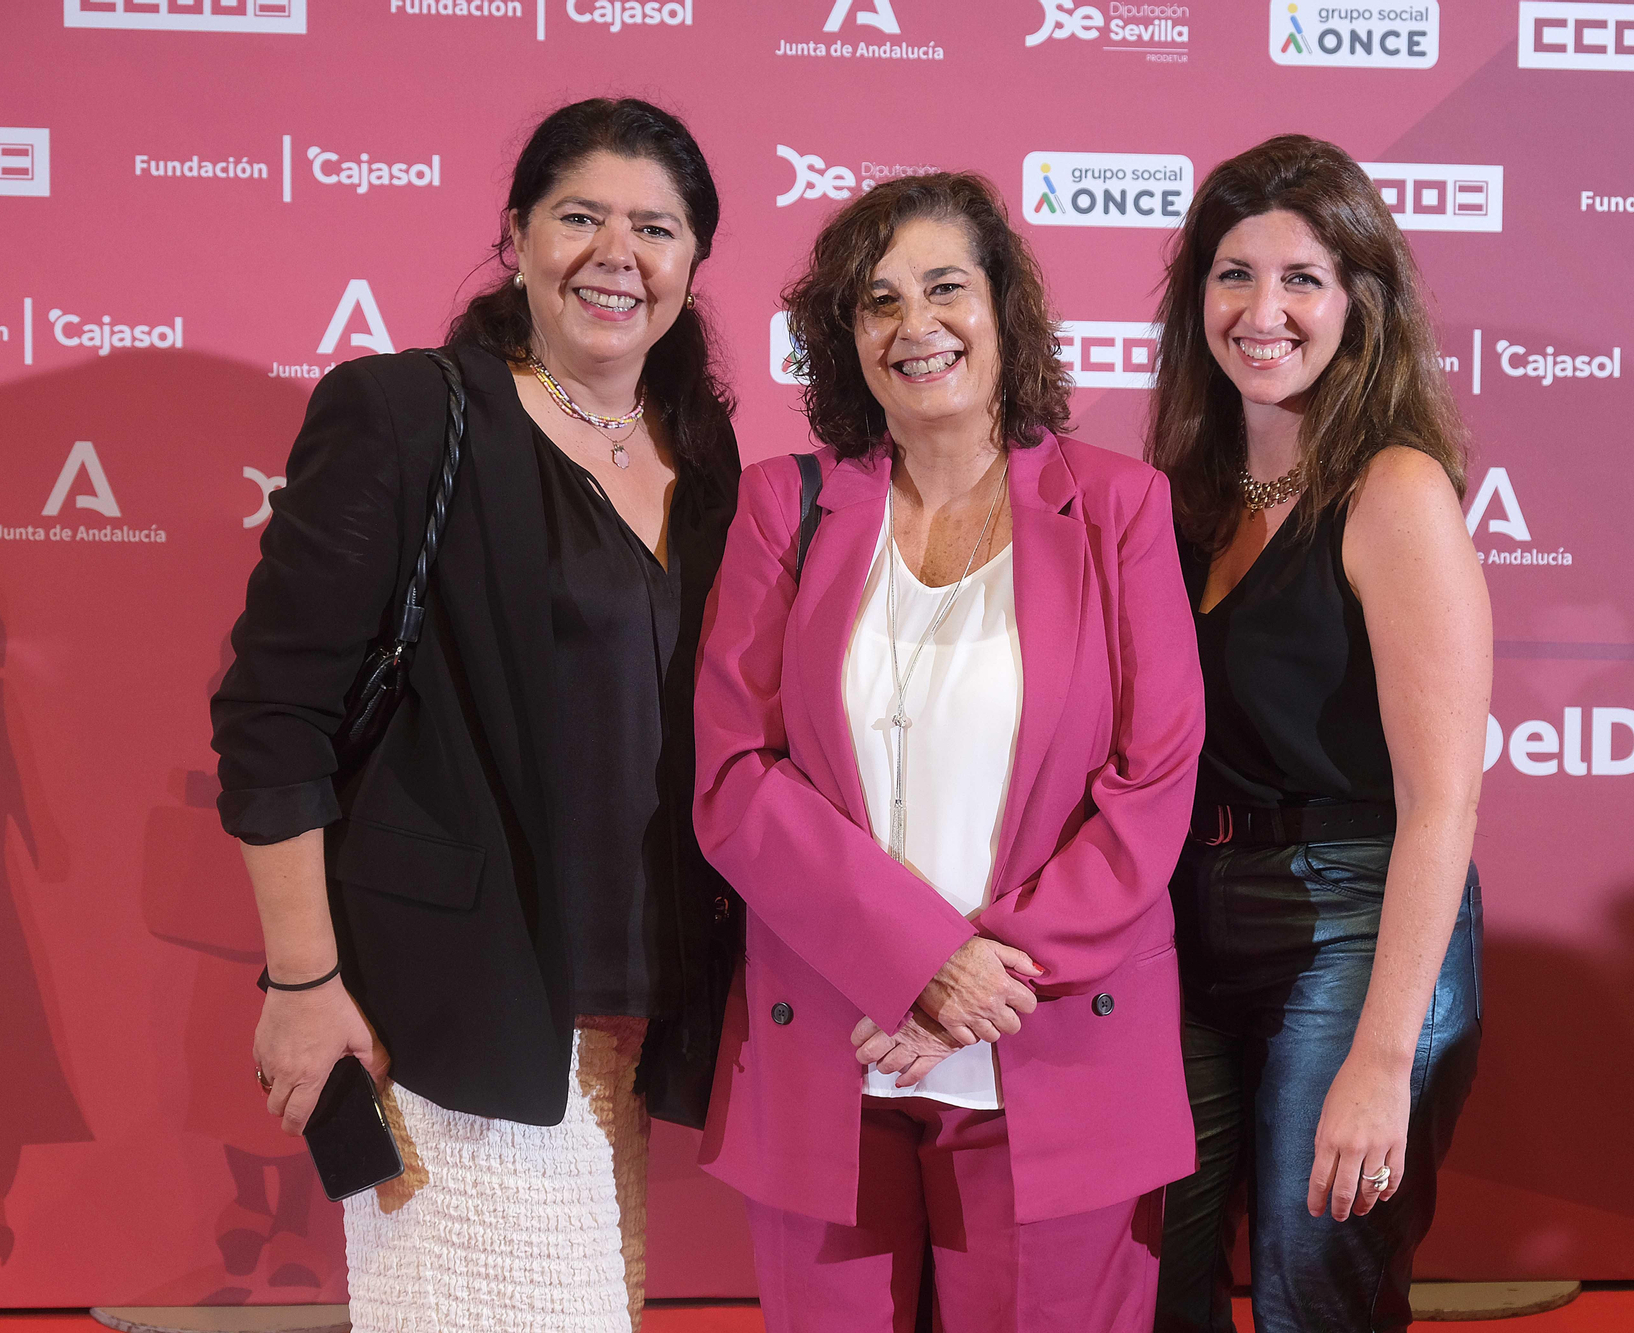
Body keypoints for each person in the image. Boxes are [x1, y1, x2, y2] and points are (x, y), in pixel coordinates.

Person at [209, 98, 739, 1333]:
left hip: (636, 1004)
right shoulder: (409, 413)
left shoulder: (700, 449)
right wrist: (303, 981)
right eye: (580, 216)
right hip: (452, 1002)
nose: (617, 254)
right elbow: (272, 713)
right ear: (516, 232)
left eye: (655, 228)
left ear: (693, 260)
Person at [691, 172, 1204, 1333]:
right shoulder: (783, 506)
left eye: (942, 288)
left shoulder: (1118, 506)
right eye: (877, 302)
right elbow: (733, 779)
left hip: (1053, 1046)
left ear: (1002, 308)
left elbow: (1151, 783)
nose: (913, 325)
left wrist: (968, 982)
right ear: (844, 338)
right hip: (829, 1045)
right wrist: (918, 962)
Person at [1146, 134, 1490, 1332]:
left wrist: (1382, 1058)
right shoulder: (1178, 493)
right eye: (1233, 274)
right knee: (1152, 1287)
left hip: (1351, 926)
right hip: (1182, 929)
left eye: (1301, 278)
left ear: (1358, 302)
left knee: (1313, 1298)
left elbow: (1441, 802)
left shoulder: (1392, 490)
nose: (1262, 311)